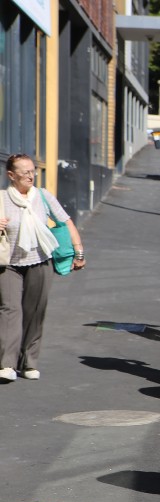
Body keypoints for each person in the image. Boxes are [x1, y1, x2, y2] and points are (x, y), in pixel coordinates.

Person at [0, 154, 86, 383]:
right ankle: (7, 364)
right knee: (10, 311)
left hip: (40, 261)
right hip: (8, 264)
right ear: (11, 175)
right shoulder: (1, 199)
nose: (30, 175)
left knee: (35, 312)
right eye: (24, 172)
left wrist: (78, 252)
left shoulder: (43, 197)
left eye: (32, 170)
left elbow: (65, 222)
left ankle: (28, 362)